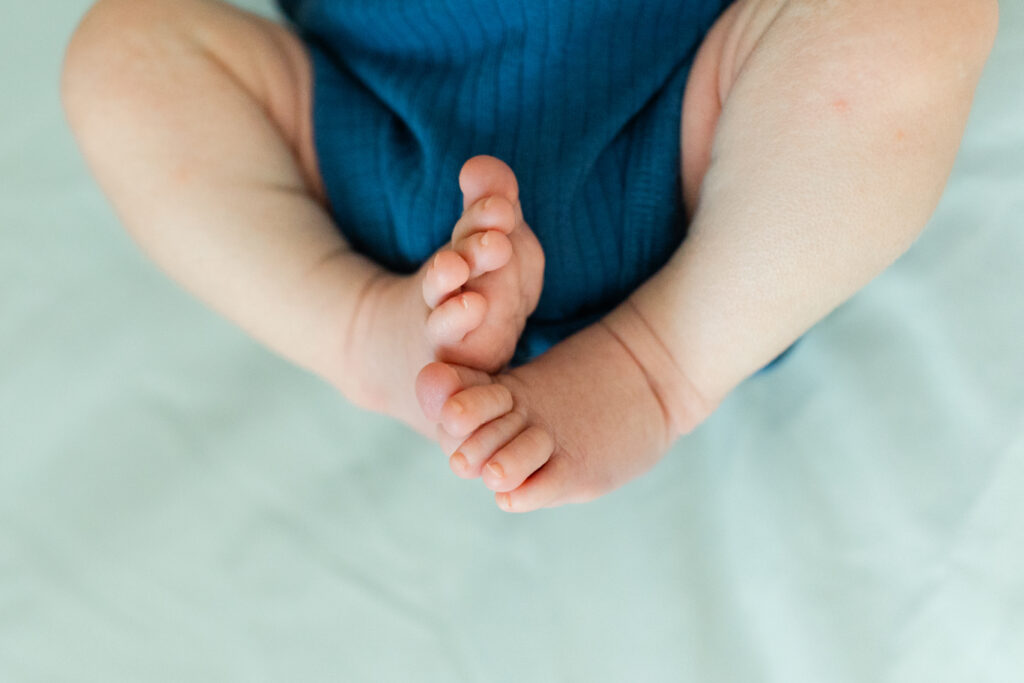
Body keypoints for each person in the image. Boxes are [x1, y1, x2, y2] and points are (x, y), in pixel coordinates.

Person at [62, 0, 997, 512]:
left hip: (698, 128)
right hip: (365, 131)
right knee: (123, 55)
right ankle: (359, 330)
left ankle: (658, 366)